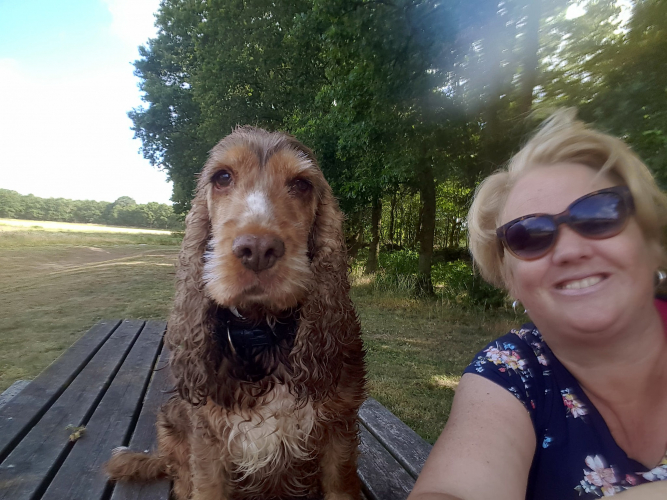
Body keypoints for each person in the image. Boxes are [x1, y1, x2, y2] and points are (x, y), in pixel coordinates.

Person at [408, 110, 667, 500]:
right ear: (510, 280)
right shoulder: (510, 372)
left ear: (651, 242)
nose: (569, 250)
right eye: (529, 235)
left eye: (598, 214)